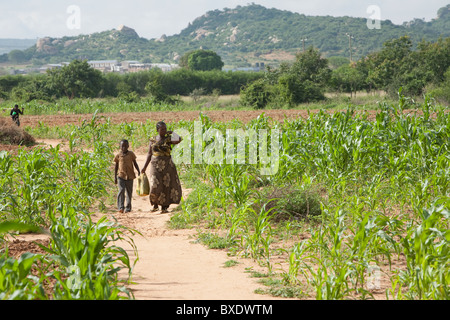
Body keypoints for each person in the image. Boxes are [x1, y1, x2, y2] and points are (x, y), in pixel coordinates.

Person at [141, 121, 182, 213]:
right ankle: (155, 205)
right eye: (162, 129)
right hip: (155, 164)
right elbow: (149, 154)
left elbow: (179, 140)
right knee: (155, 184)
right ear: (157, 130)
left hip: (167, 165)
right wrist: (144, 167)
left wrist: (172, 133)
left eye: (165, 129)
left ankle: (164, 207)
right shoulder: (153, 140)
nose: (164, 131)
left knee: (166, 185)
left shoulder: (169, 139)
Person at [114, 139, 140, 213]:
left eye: (125, 146)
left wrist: (138, 171)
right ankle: (120, 207)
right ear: (120, 147)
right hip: (121, 176)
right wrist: (115, 176)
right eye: (122, 146)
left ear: (128, 146)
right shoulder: (118, 155)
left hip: (130, 176)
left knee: (129, 192)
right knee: (121, 191)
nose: (124, 148)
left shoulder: (131, 154)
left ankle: (128, 208)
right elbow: (116, 166)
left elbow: (135, 163)